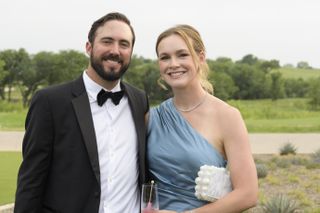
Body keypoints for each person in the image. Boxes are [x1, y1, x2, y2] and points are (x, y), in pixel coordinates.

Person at [14, 12, 149, 213]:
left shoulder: (140, 101)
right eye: (107, 41)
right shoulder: (50, 102)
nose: (115, 50)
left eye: (124, 44)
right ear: (89, 47)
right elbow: (31, 183)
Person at [147, 25, 258, 212]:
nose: (173, 64)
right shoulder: (151, 117)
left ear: (200, 57)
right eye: (165, 57)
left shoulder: (227, 116)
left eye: (182, 55)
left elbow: (248, 194)